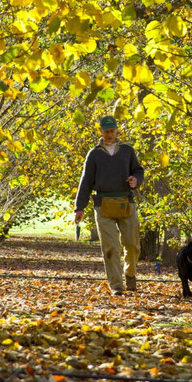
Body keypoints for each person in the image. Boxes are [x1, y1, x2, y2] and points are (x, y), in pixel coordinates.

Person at [74, 116, 144, 296]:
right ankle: (116, 286)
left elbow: (138, 170)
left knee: (132, 244)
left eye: (112, 130)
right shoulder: (94, 154)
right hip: (103, 204)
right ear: (101, 131)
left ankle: (130, 273)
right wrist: (79, 208)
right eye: (106, 131)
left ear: (116, 130)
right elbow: (86, 181)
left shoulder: (127, 151)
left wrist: (136, 180)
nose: (110, 134)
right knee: (111, 247)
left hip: (126, 203)